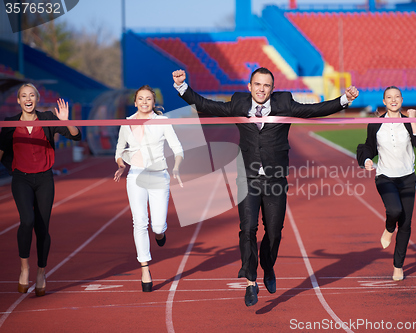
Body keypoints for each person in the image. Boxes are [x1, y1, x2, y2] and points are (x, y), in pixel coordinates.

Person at [172, 68, 359, 306]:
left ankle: (268, 267)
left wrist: (345, 100)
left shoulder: (284, 103)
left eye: (266, 85)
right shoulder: (239, 103)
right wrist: (182, 87)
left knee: (274, 232)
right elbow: (207, 105)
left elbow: (313, 111)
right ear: (250, 86)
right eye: (257, 84)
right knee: (248, 228)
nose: (261, 89)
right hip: (248, 178)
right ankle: (251, 281)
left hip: (275, 179)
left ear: (272, 88)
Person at [0, 83, 82, 297]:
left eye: (32, 95)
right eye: (23, 96)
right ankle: (25, 268)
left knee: (42, 227)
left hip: (45, 178)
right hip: (21, 179)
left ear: (36, 99)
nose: (28, 99)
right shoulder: (9, 123)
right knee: (27, 220)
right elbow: (1, 150)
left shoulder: (47, 118)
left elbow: (75, 136)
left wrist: (66, 121)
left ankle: (41, 272)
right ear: (18, 101)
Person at [114, 85, 184, 292]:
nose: (144, 102)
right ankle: (145, 268)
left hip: (159, 175)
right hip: (135, 175)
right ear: (135, 102)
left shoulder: (162, 121)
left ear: (154, 102)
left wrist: (177, 168)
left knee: (157, 226)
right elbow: (119, 149)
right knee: (139, 222)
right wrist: (120, 164)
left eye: (148, 99)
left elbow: (177, 148)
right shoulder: (126, 124)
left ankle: (160, 234)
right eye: (141, 99)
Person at [356, 86, 416, 281]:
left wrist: (413, 120)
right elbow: (369, 146)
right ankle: (388, 229)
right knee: (394, 211)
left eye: (397, 97)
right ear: (384, 102)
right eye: (389, 97)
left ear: (401, 100)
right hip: (385, 176)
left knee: (405, 224)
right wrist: (367, 160)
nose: (393, 100)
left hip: (407, 178)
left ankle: (398, 266)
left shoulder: (407, 122)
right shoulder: (376, 124)